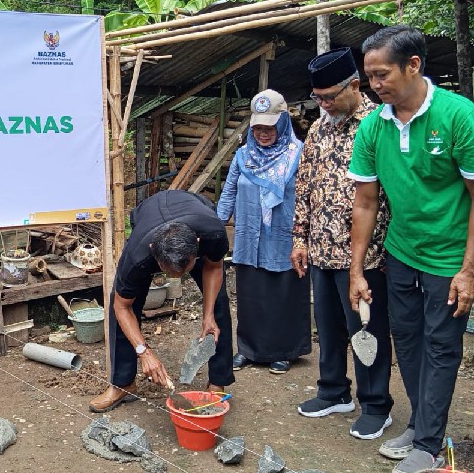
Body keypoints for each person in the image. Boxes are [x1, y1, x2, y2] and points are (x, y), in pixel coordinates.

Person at [348, 24, 474, 473]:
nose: (375, 85)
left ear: (413, 65)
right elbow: (366, 202)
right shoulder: (373, 125)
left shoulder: (457, 116)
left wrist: (469, 270)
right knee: (407, 341)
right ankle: (420, 427)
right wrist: (356, 270)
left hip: (448, 259)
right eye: (369, 77)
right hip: (402, 253)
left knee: (442, 345)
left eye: (382, 74)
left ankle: (430, 443)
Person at [292, 47, 393, 439]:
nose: (324, 104)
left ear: (355, 85)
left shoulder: (379, 124)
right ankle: (333, 390)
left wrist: (382, 250)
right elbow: (304, 186)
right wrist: (300, 238)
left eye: (330, 96)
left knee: (365, 329)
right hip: (320, 250)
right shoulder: (319, 128)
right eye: (318, 98)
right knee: (329, 326)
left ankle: (376, 403)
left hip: (364, 256)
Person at [89, 189, 234, 412]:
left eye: (181, 271)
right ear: (152, 253)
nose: (175, 278)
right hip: (148, 218)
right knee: (123, 304)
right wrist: (144, 352)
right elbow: (122, 306)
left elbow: (214, 267)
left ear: (197, 246)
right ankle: (123, 383)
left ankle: (218, 382)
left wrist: (208, 315)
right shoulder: (138, 254)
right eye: (168, 272)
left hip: (193, 211)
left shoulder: (212, 232)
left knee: (218, 303)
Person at [217, 89, 311, 375]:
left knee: (283, 294)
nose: (263, 132)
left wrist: (305, 235)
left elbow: (309, 195)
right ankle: (248, 349)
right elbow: (229, 191)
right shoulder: (243, 156)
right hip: (249, 238)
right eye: (258, 126)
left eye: (269, 126)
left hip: (285, 238)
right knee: (251, 296)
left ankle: (283, 351)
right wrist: (214, 226)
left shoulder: (299, 154)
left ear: (282, 123)